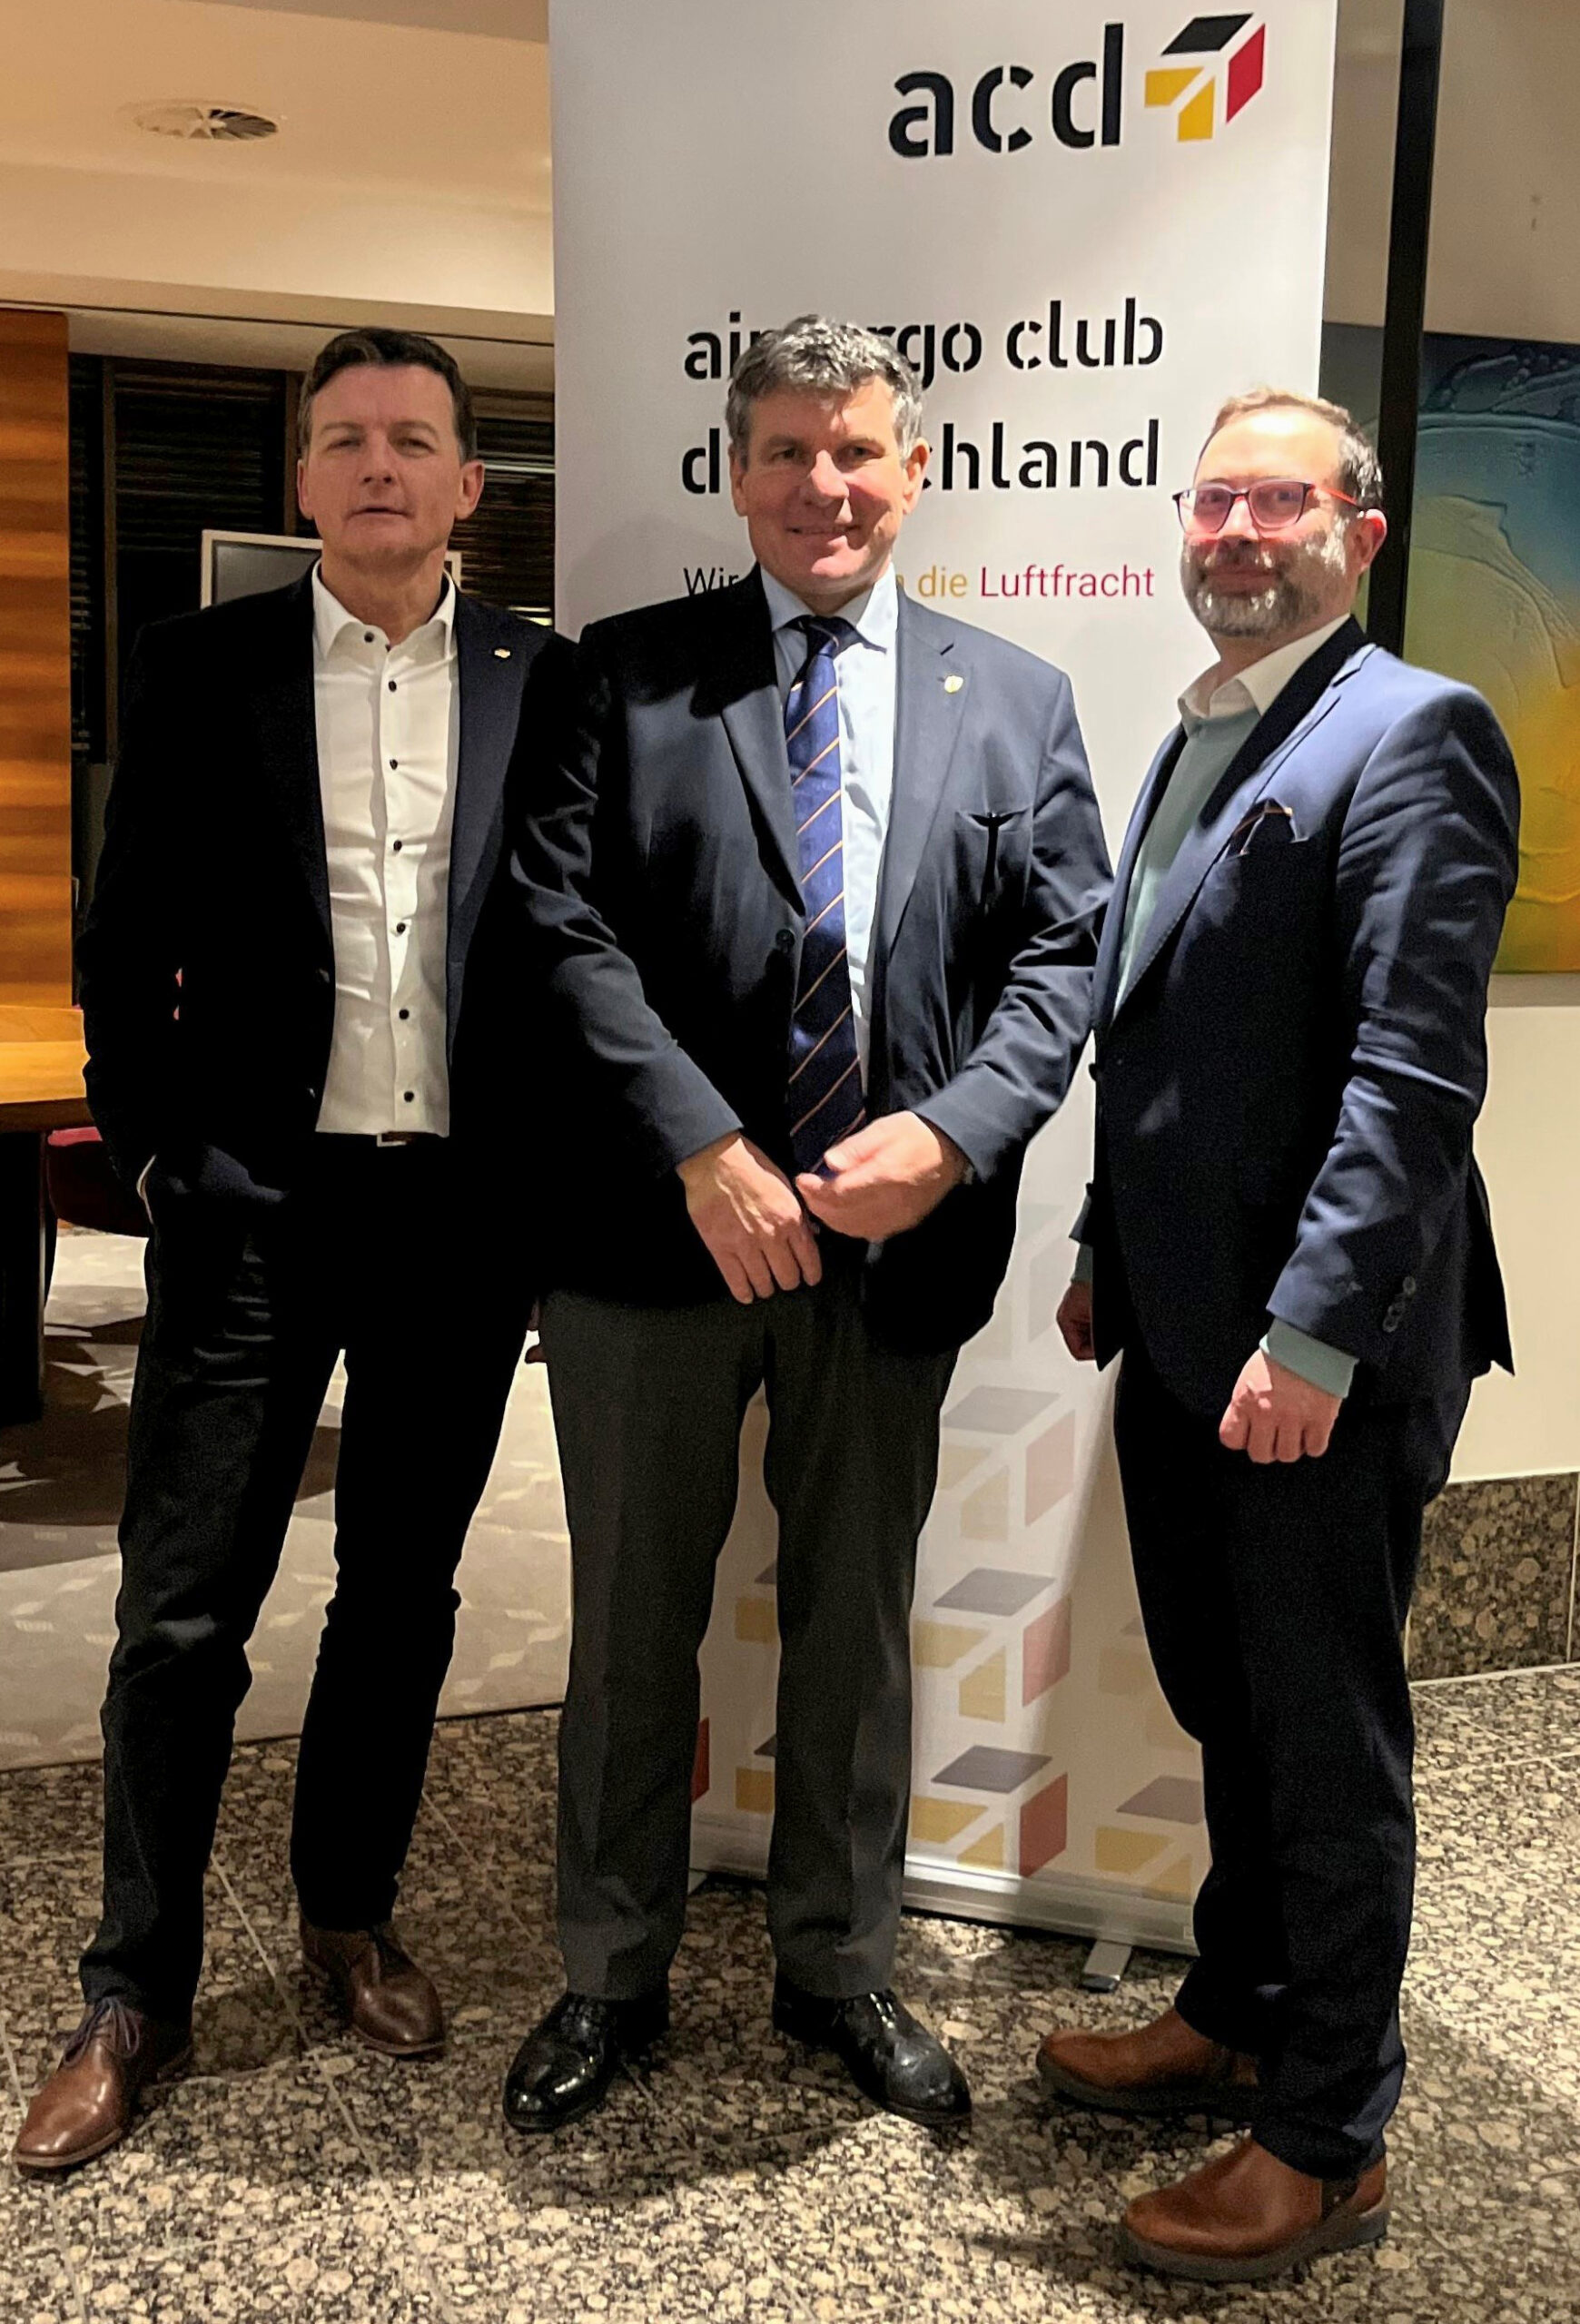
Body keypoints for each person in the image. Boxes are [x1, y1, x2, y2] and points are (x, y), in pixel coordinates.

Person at [499, 316, 1111, 2136]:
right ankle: (610, 1968)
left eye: (856, 452)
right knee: (631, 1621)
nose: (822, 485)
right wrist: (701, 1142)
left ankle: (840, 1963)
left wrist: (956, 1135)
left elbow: (1065, 950)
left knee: (856, 1622)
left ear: (914, 471)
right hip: (651, 1239)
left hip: (893, 1248)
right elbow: (555, 924)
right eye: (786, 450)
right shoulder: (622, 675)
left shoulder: (1017, 698)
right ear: (735, 471)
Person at [14, 329, 560, 2177]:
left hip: (458, 1224)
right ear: (306, 480)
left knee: (402, 1594)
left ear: (469, 483)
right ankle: (132, 1987)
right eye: (346, 440)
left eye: (414, 438)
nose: (380, 464)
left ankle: (347, 1914)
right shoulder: (200, 666)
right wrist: (158, 1153)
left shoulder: (543, 680)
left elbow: (570, 943)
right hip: (255, 1210)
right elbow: (121, 943)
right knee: (181, 1613)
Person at [1038, 388, 1519, 2282]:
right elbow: (1161, 1029)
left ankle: (1328, 2134)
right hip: (1181, 1327)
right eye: (1214, 499)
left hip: (1314, 1357)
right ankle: (1238, 2004)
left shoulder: (1414, 733)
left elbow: (1413, 1073)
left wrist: (1312, 1335)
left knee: (1322, 1740)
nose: (1237, 531)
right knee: (1227, 1698)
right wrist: (1106, 1239)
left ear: (1360, 537)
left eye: (1281, 503)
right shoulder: (1211, 725)